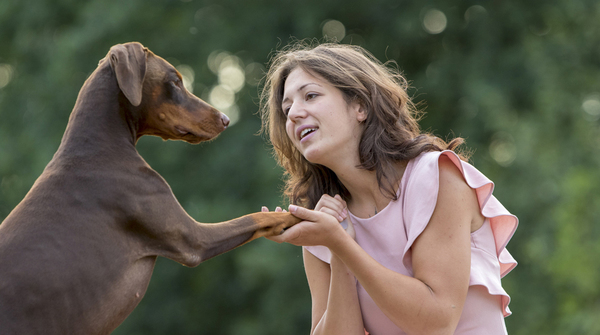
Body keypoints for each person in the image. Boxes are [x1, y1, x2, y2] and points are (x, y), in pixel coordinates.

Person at [259, 41, 518, 335]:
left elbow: (436, 322)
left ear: (360, 106)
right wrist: (337, 248)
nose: (293, 114)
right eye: (287, 107)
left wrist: (342, 244)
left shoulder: (436, 177)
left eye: (311, 96)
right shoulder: (323, 224)